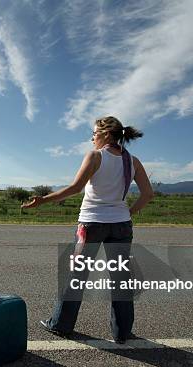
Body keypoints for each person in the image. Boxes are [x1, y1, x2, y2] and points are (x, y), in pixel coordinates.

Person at [21, 116, 154, 343]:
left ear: (105, 134)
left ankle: (60, 325)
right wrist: (127, 213)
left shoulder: (95, 156)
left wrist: (42, 200)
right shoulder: (134, 161)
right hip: (121, 226)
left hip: (91, 225)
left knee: (76, 276)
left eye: (94, 133)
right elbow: (148, 194)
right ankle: (122, 332)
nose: (92, 138)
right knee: (121, 279)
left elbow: (75, 188)